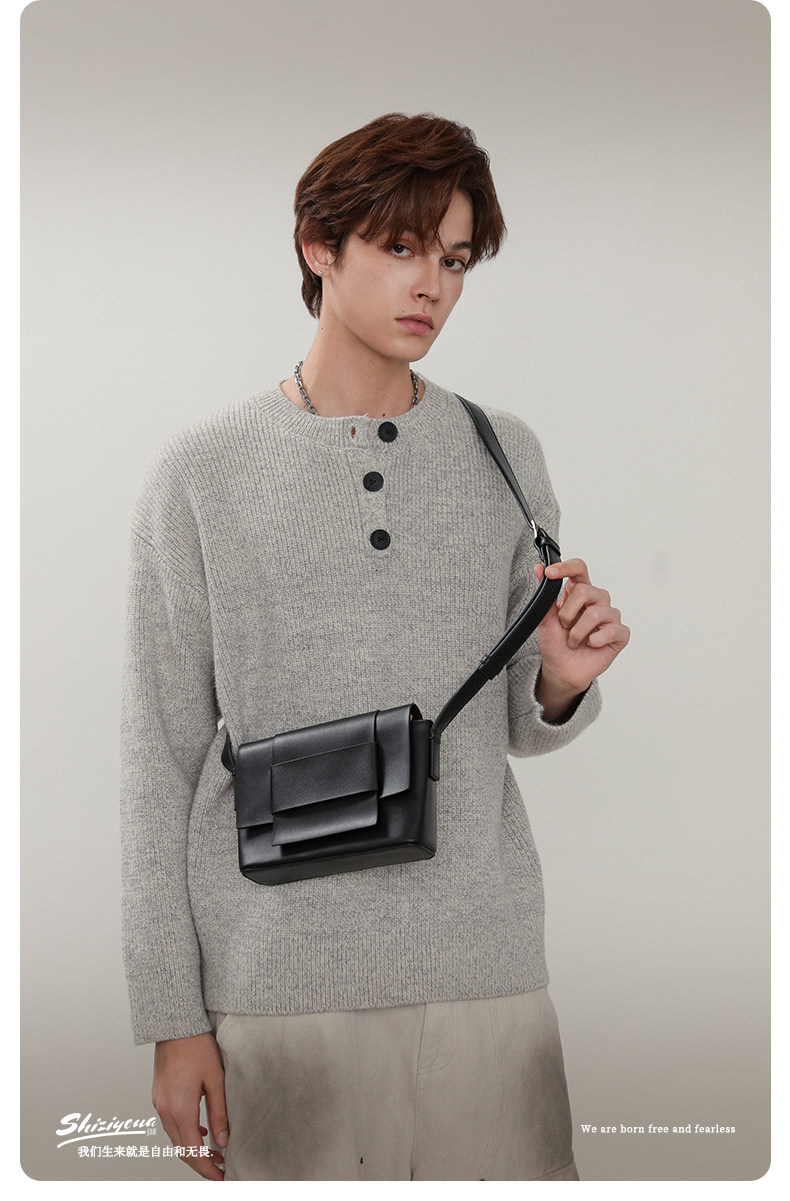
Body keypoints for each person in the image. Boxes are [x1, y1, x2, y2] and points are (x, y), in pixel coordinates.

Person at [120, 112, 630, 1182]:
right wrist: (172, 1017)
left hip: (486, 970)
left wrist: (557, 682)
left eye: (454, 260)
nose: (431, 286)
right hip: (277, 987)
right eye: (402, 247)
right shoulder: (202, 471)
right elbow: (158, 758)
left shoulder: (503, 453)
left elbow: (514, 727)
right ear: (319, 245)